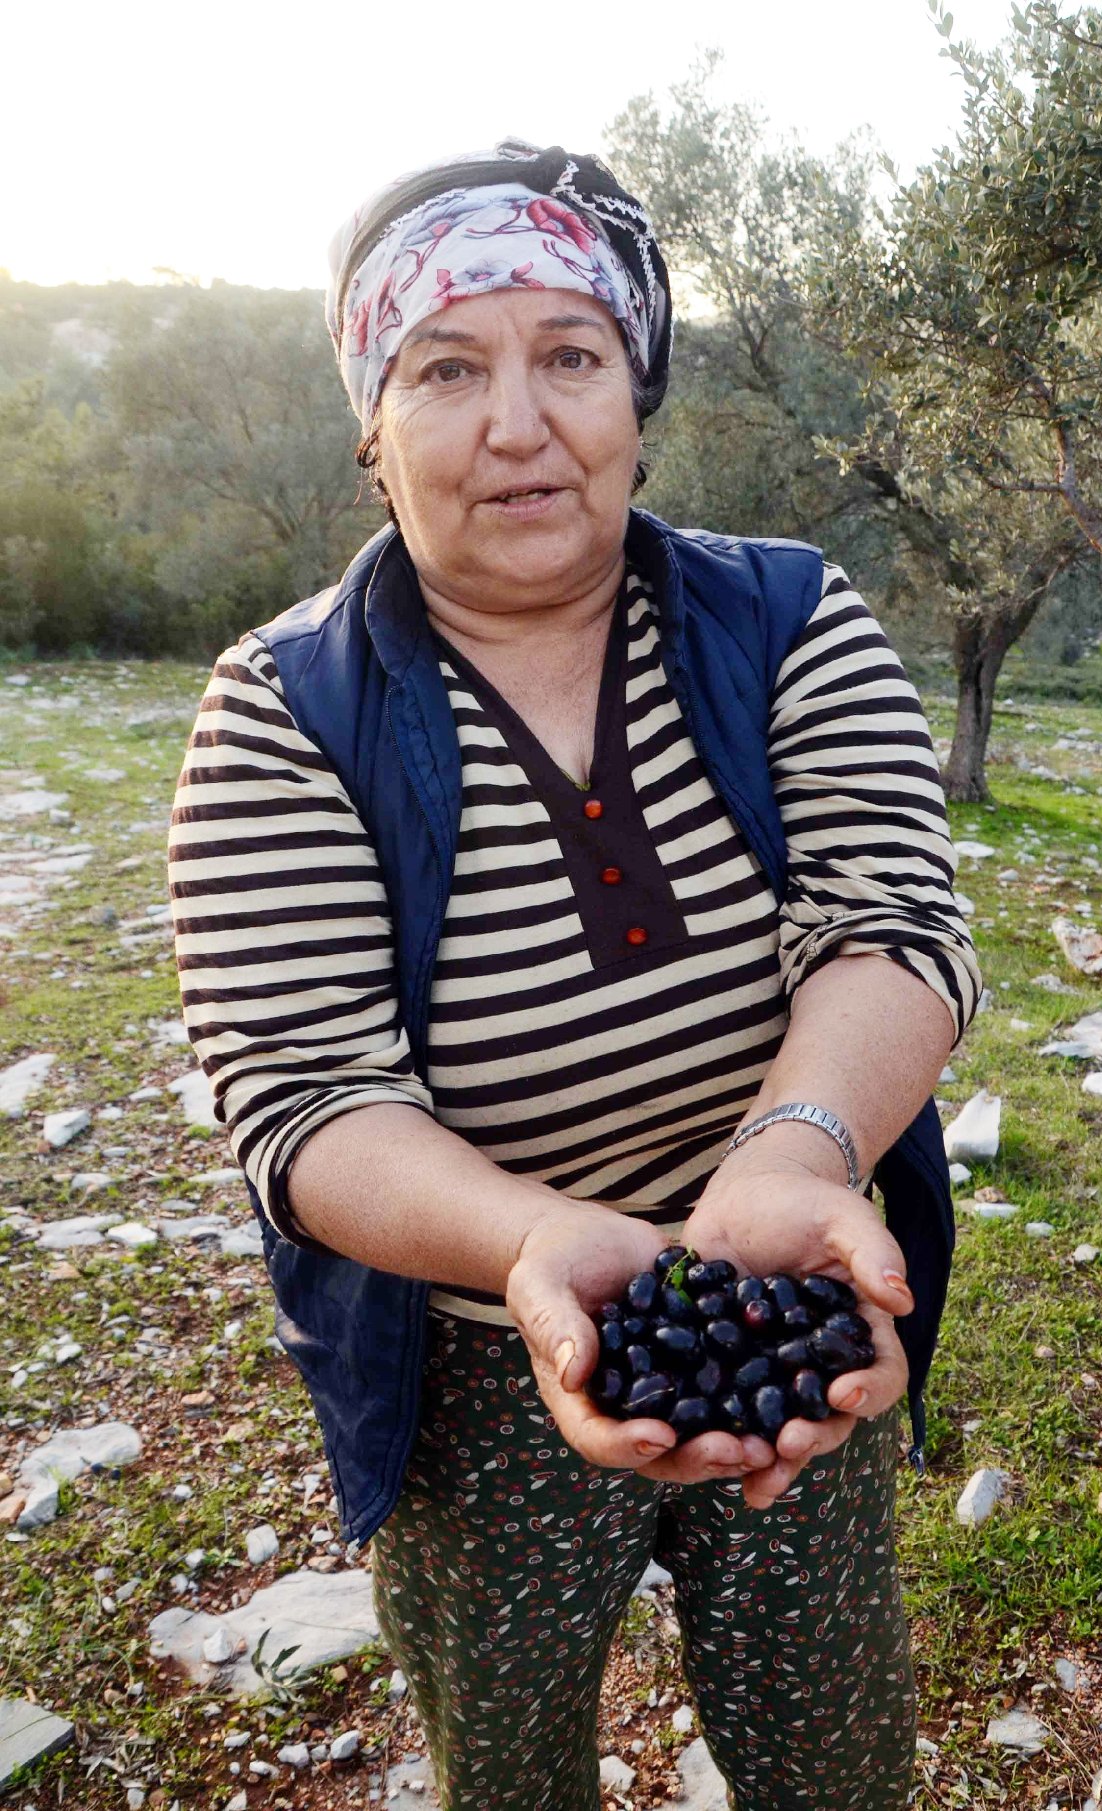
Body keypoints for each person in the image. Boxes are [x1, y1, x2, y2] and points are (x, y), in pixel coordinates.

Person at [169, 140, 982, 1811]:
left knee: (833, 1749)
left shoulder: (790, 620)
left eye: (571, 357)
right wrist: (536, 1243)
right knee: (510, 1758)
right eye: (448, 368)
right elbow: (306, 1098)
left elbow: (891, 921)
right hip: (475, 1363)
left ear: (635, 393)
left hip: (791, 1296)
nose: (519, 424)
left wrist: (789, 1159)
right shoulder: (281, 714)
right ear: (371, 428)